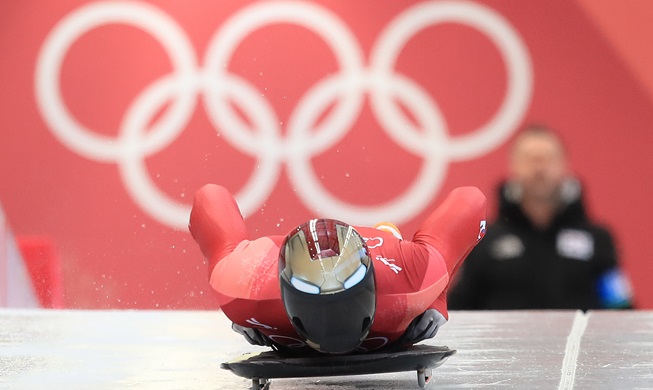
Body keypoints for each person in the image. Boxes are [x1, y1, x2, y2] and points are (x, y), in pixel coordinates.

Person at [189, 184, 486, 354]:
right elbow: (209, 197)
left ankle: (385, 233)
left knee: (397, 240)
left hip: (385, 255)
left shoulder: (414, 277)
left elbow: (472, 201)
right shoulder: (244, 287)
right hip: (271, 262)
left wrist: (437, 298)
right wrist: (435, 298)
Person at [449, 125, 633, 311]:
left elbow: (619, 305)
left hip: (581, 340)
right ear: (513, 165)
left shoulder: (597, 239)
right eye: (529, 159)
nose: (539, 167)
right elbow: (460, 306)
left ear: (564, 164)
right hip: (506, 340)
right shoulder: (484, 239)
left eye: (547, 158)